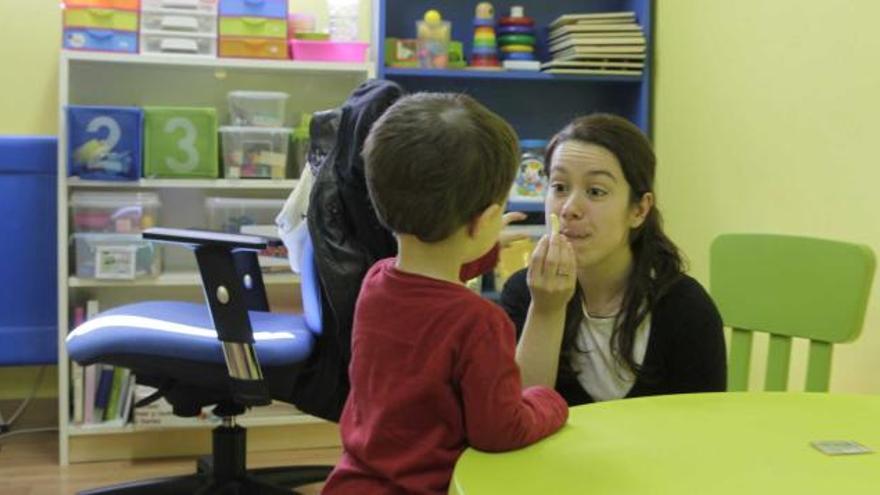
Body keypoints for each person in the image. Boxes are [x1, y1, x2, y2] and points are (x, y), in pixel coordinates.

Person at [322, 93, 569, 494]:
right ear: (486, 219)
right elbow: (500, 431)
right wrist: (548, 402)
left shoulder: (375, 281)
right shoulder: (479, 322)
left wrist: (481, 247)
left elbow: (426, 289)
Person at [501, 114, 726, 405]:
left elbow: (703, 429)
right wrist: (546, 311)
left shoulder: (685, 308)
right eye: (559, 187)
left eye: (595, 191)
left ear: (639, 211)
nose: (569, 209)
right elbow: (516, 419)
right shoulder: (525, 294)